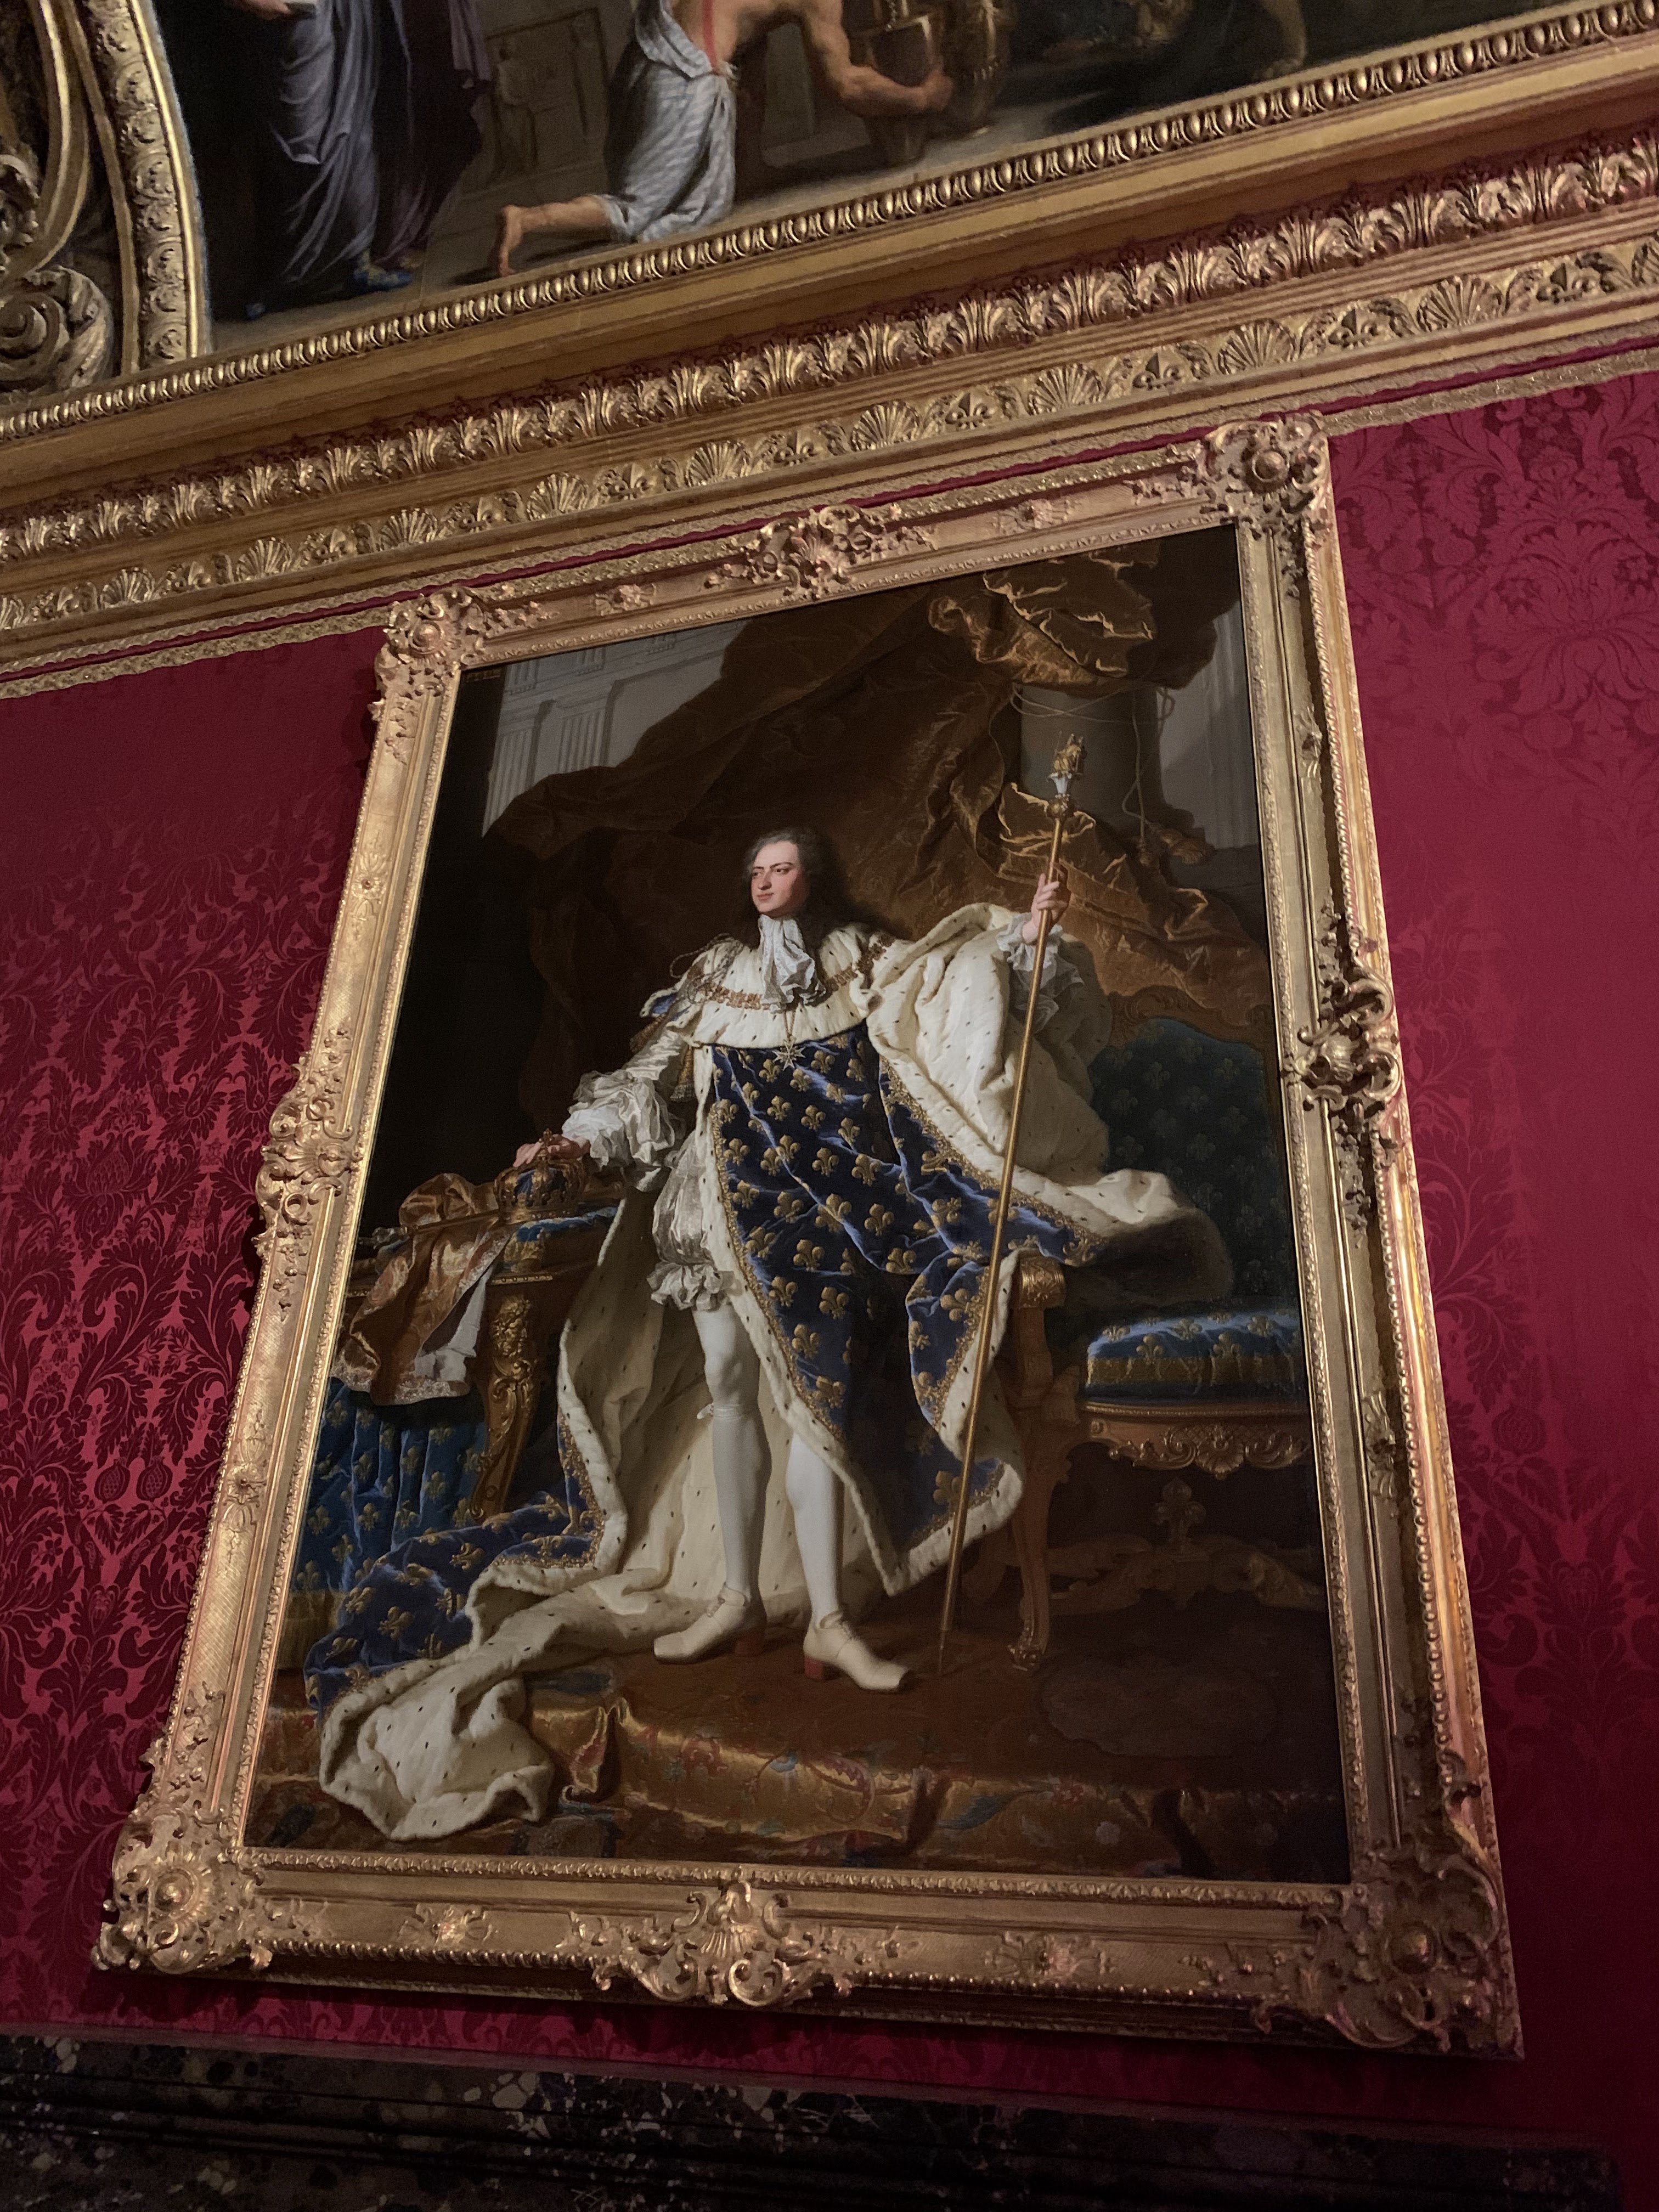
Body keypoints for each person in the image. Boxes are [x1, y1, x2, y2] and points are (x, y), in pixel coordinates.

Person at [311, 828, 1229, 1841]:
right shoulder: (715, 975)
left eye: (782, 866)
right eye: (754, 868)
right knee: (730, 1389)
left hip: (822, 1216)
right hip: (716, 1205)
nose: (764, 879)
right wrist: (574, 1138)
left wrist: (1023, 941)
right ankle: (738, 1598)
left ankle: (828, 1619)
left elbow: (946, 996)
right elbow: (650, 1077)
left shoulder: (858, 961)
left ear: (812, 879)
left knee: (813, 1400)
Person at [491, 0, 951, 275]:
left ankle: (749, 169)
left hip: (643, 57)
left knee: (747, 54)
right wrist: (922, 98)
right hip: (679, 84)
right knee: (637, 210)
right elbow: (846, 86)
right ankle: (528, 220)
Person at [227, 0, 489, 317]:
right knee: (297, 146)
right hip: (295, 23)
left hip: (348, 15)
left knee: (357, 129)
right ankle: (276, 278)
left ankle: (356, 261)